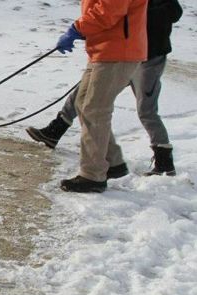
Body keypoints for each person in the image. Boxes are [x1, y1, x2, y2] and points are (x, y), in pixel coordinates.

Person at [28, 0, 183, 180]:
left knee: (142, 110)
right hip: (111, 48)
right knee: (83, 98)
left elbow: (111, 11)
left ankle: (163, 161)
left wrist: (81, 28)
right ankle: (62, 134)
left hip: (143, 56)